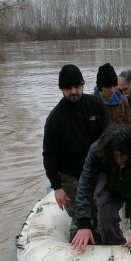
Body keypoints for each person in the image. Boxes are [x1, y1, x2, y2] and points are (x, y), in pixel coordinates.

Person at [71, 125, 131, 258]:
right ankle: (115, 249)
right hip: (111, 185)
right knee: (105, 219)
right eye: (115, 156)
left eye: (122, 155)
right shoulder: (96, 151)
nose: (119, 160)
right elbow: (85, 185)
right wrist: (84, 223)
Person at [43, 64, 109, 240]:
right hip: (70, 176)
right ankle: (78, 249)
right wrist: (57, 187)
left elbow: (108, 138)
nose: (73, 91)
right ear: (62, 89)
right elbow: (49, 156)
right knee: (81, 216)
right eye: (68, 88)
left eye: (77, 86)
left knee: (100, 211)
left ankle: (102, 243)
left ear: (82, 86)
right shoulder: (55, 119)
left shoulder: (97, 105)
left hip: (97, 170)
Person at [93, 63, 131, 128]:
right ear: (100, 87)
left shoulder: (123, 101)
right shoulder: (91, 102)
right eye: (108, 87)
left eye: (114, 86)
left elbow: (129, 124)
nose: (112, 90)